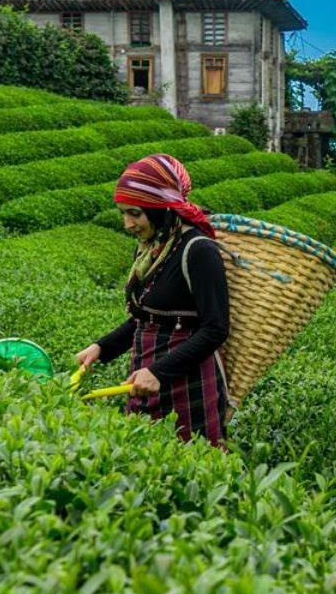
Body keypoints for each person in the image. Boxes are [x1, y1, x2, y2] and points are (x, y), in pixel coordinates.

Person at [75, 153, 231, 446]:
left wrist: (159, 372)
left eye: (135, 213)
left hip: (187, 379)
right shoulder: (153, 248)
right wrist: (101, 347)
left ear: (161, 209)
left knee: (190, 460)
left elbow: (216, 328)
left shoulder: (199, 250)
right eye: (122, 213)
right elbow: (146, 319)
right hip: (144, 373)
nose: (127, 223)